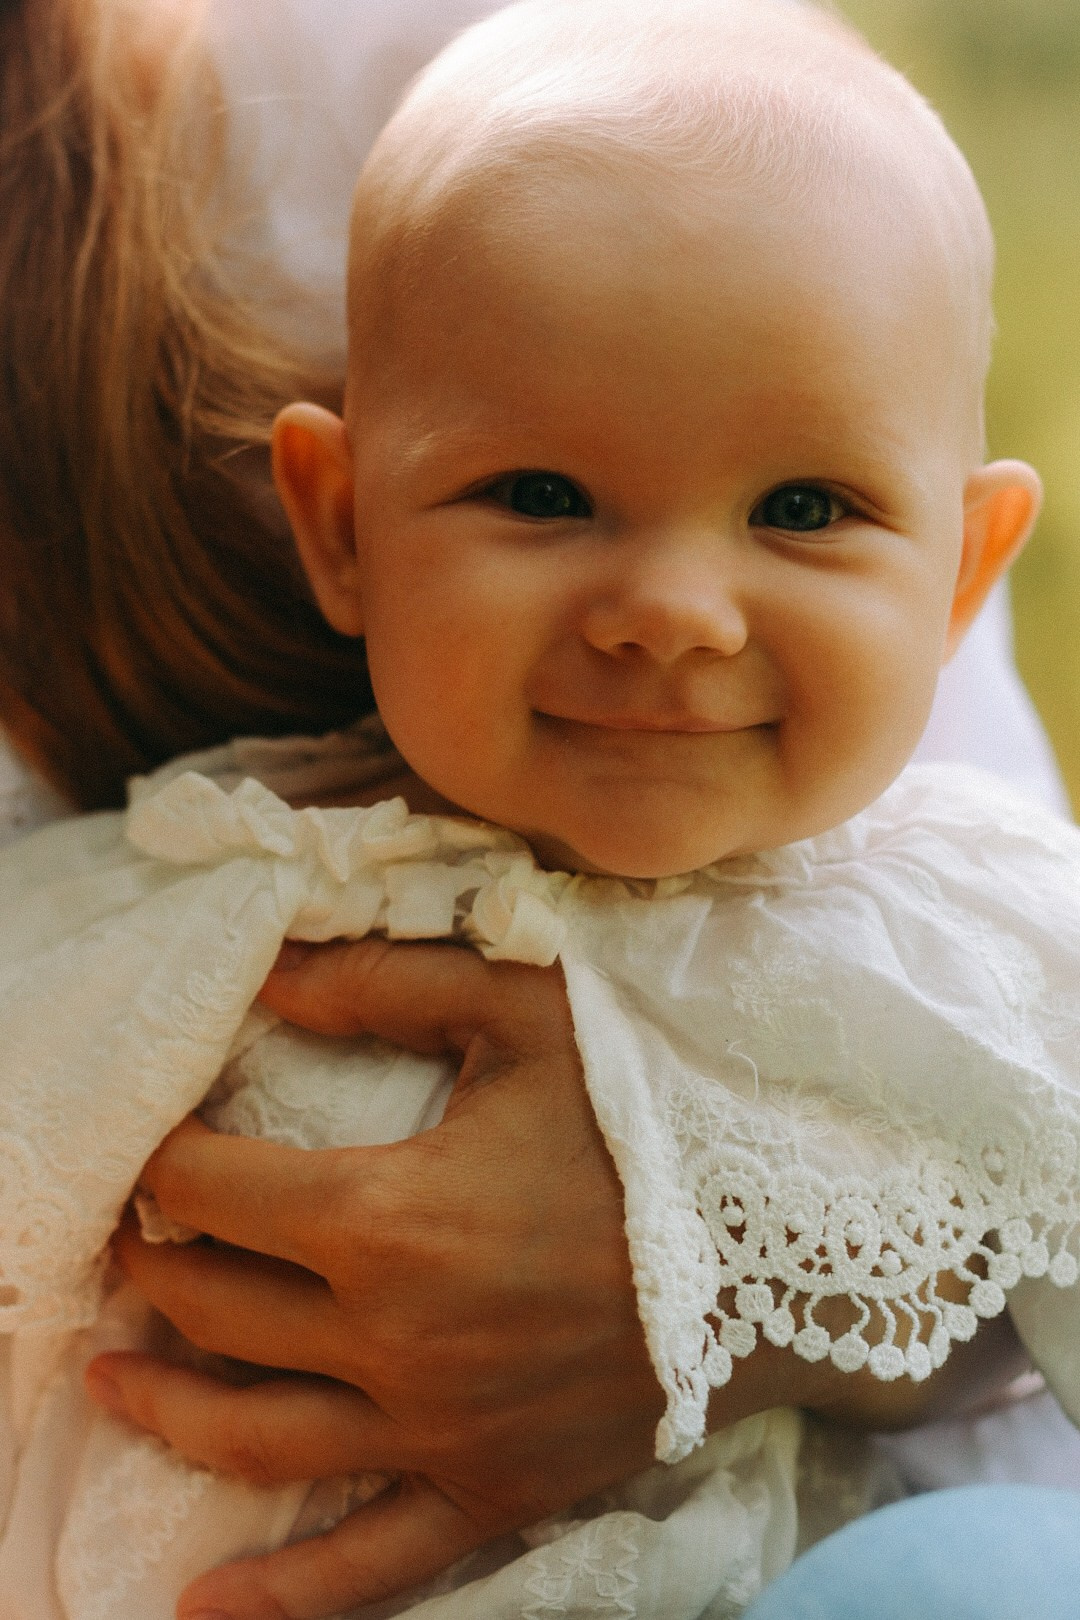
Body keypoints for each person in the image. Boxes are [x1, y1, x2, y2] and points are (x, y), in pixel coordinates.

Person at [2, 0, 1080, 1614]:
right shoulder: (218, 878)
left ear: (962, 573)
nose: (671, 612)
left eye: (802, 507)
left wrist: (743, 1286)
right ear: (340, 527)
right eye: (543, 496)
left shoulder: (973, 931)